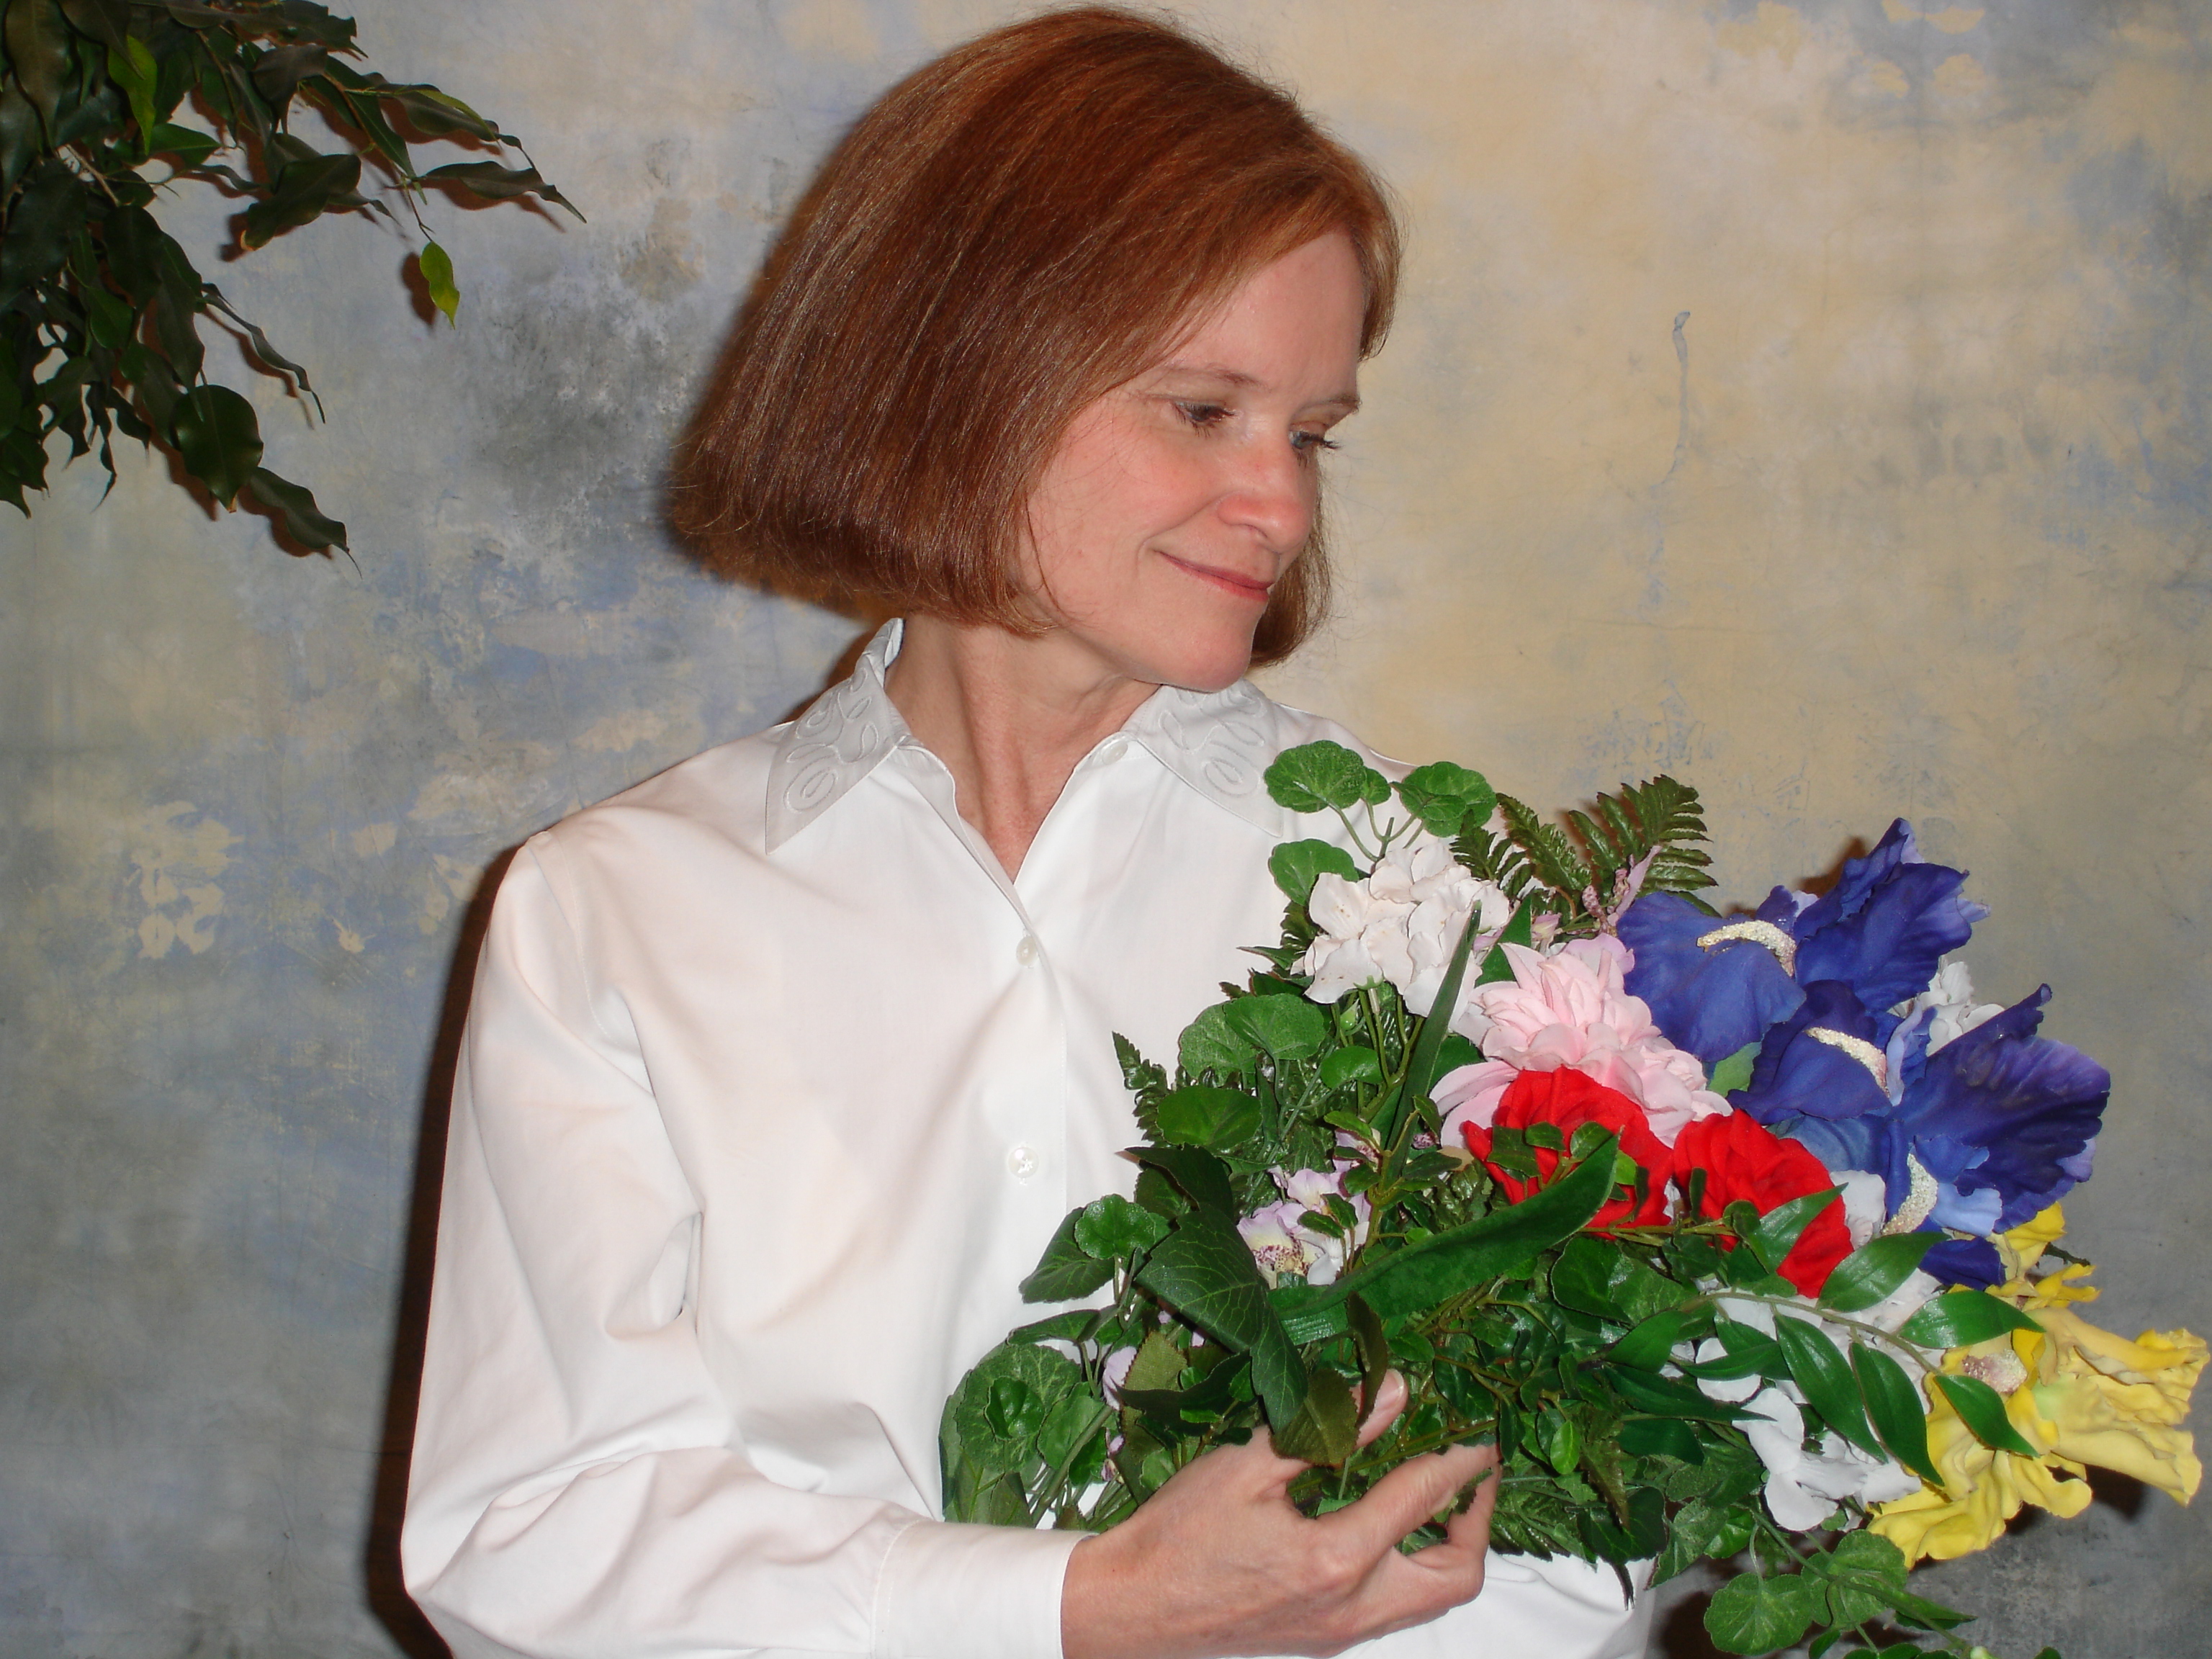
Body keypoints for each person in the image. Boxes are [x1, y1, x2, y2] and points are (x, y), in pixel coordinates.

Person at [400, 10, 1654, 1659]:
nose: (1283, 506)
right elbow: (535, 1533)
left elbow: (1571, 1528)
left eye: (1310, 432)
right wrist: (1079, 1613)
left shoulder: (1434, 894)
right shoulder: (615, 915)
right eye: (1202, 410)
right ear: (961, 375)